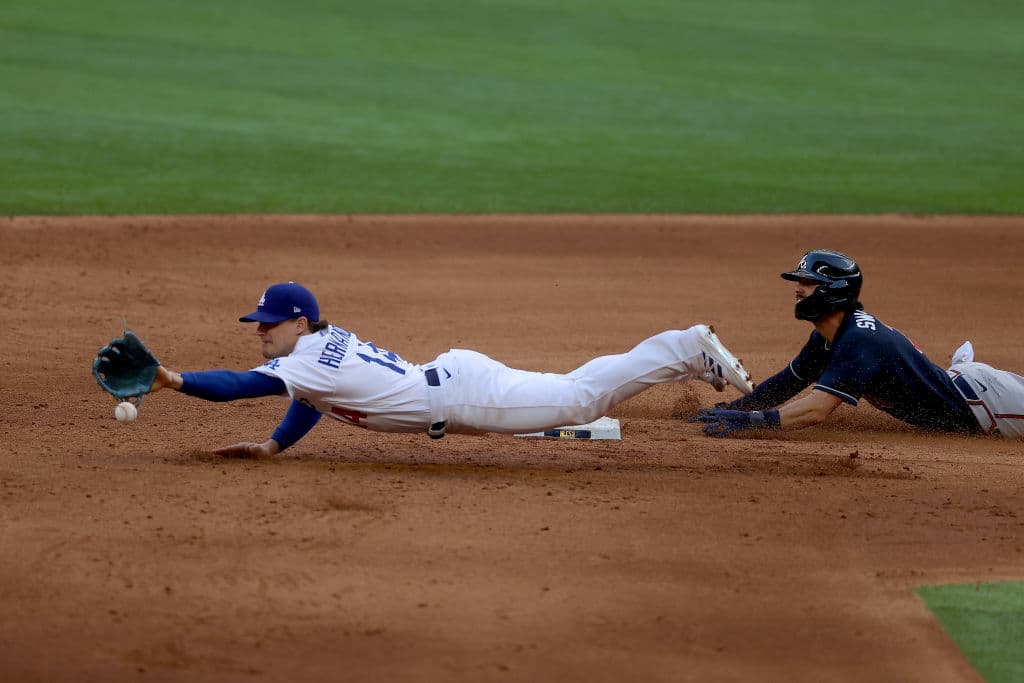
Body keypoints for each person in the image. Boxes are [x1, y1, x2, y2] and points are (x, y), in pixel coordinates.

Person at [144, 282, 754, 456]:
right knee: (572, 390)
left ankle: (683, 348)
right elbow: (311, 399)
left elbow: (240, 388)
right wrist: (275, 447)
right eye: (258, 323)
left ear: (299, 323)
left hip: (462, 397)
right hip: (456, 382)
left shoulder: (304, 360)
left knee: (579, 401)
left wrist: (172, 379)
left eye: (269, 323)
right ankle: (680, 357)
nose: (260, 330)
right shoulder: (317, 348)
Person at [696, 249, 1024, 439]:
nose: (798, 289)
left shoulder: (858, 342)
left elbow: (815, 410)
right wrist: (735, 407)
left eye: (808, 283)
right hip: (962, 384)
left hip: (985, 404)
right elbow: (789, 382)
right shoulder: (830, 336)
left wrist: (749, 422)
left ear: (834, 290)